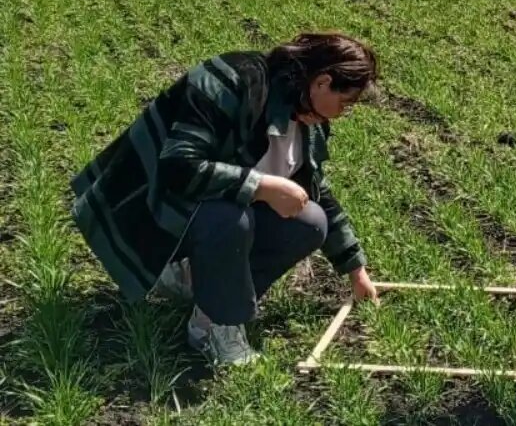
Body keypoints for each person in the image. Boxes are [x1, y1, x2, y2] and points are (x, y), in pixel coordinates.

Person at [71, 32, 382, 366]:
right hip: (151, 213)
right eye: (345, 103)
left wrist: (355, 270)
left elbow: (319, 192)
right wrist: (260, 186)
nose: (342, 113)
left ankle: (201, 297)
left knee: (311, 221)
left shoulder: (309, 119)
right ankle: (216, 326)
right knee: (230, 217)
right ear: (322, 82)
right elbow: (179, 167)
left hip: (208, 216)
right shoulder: (234, 82)